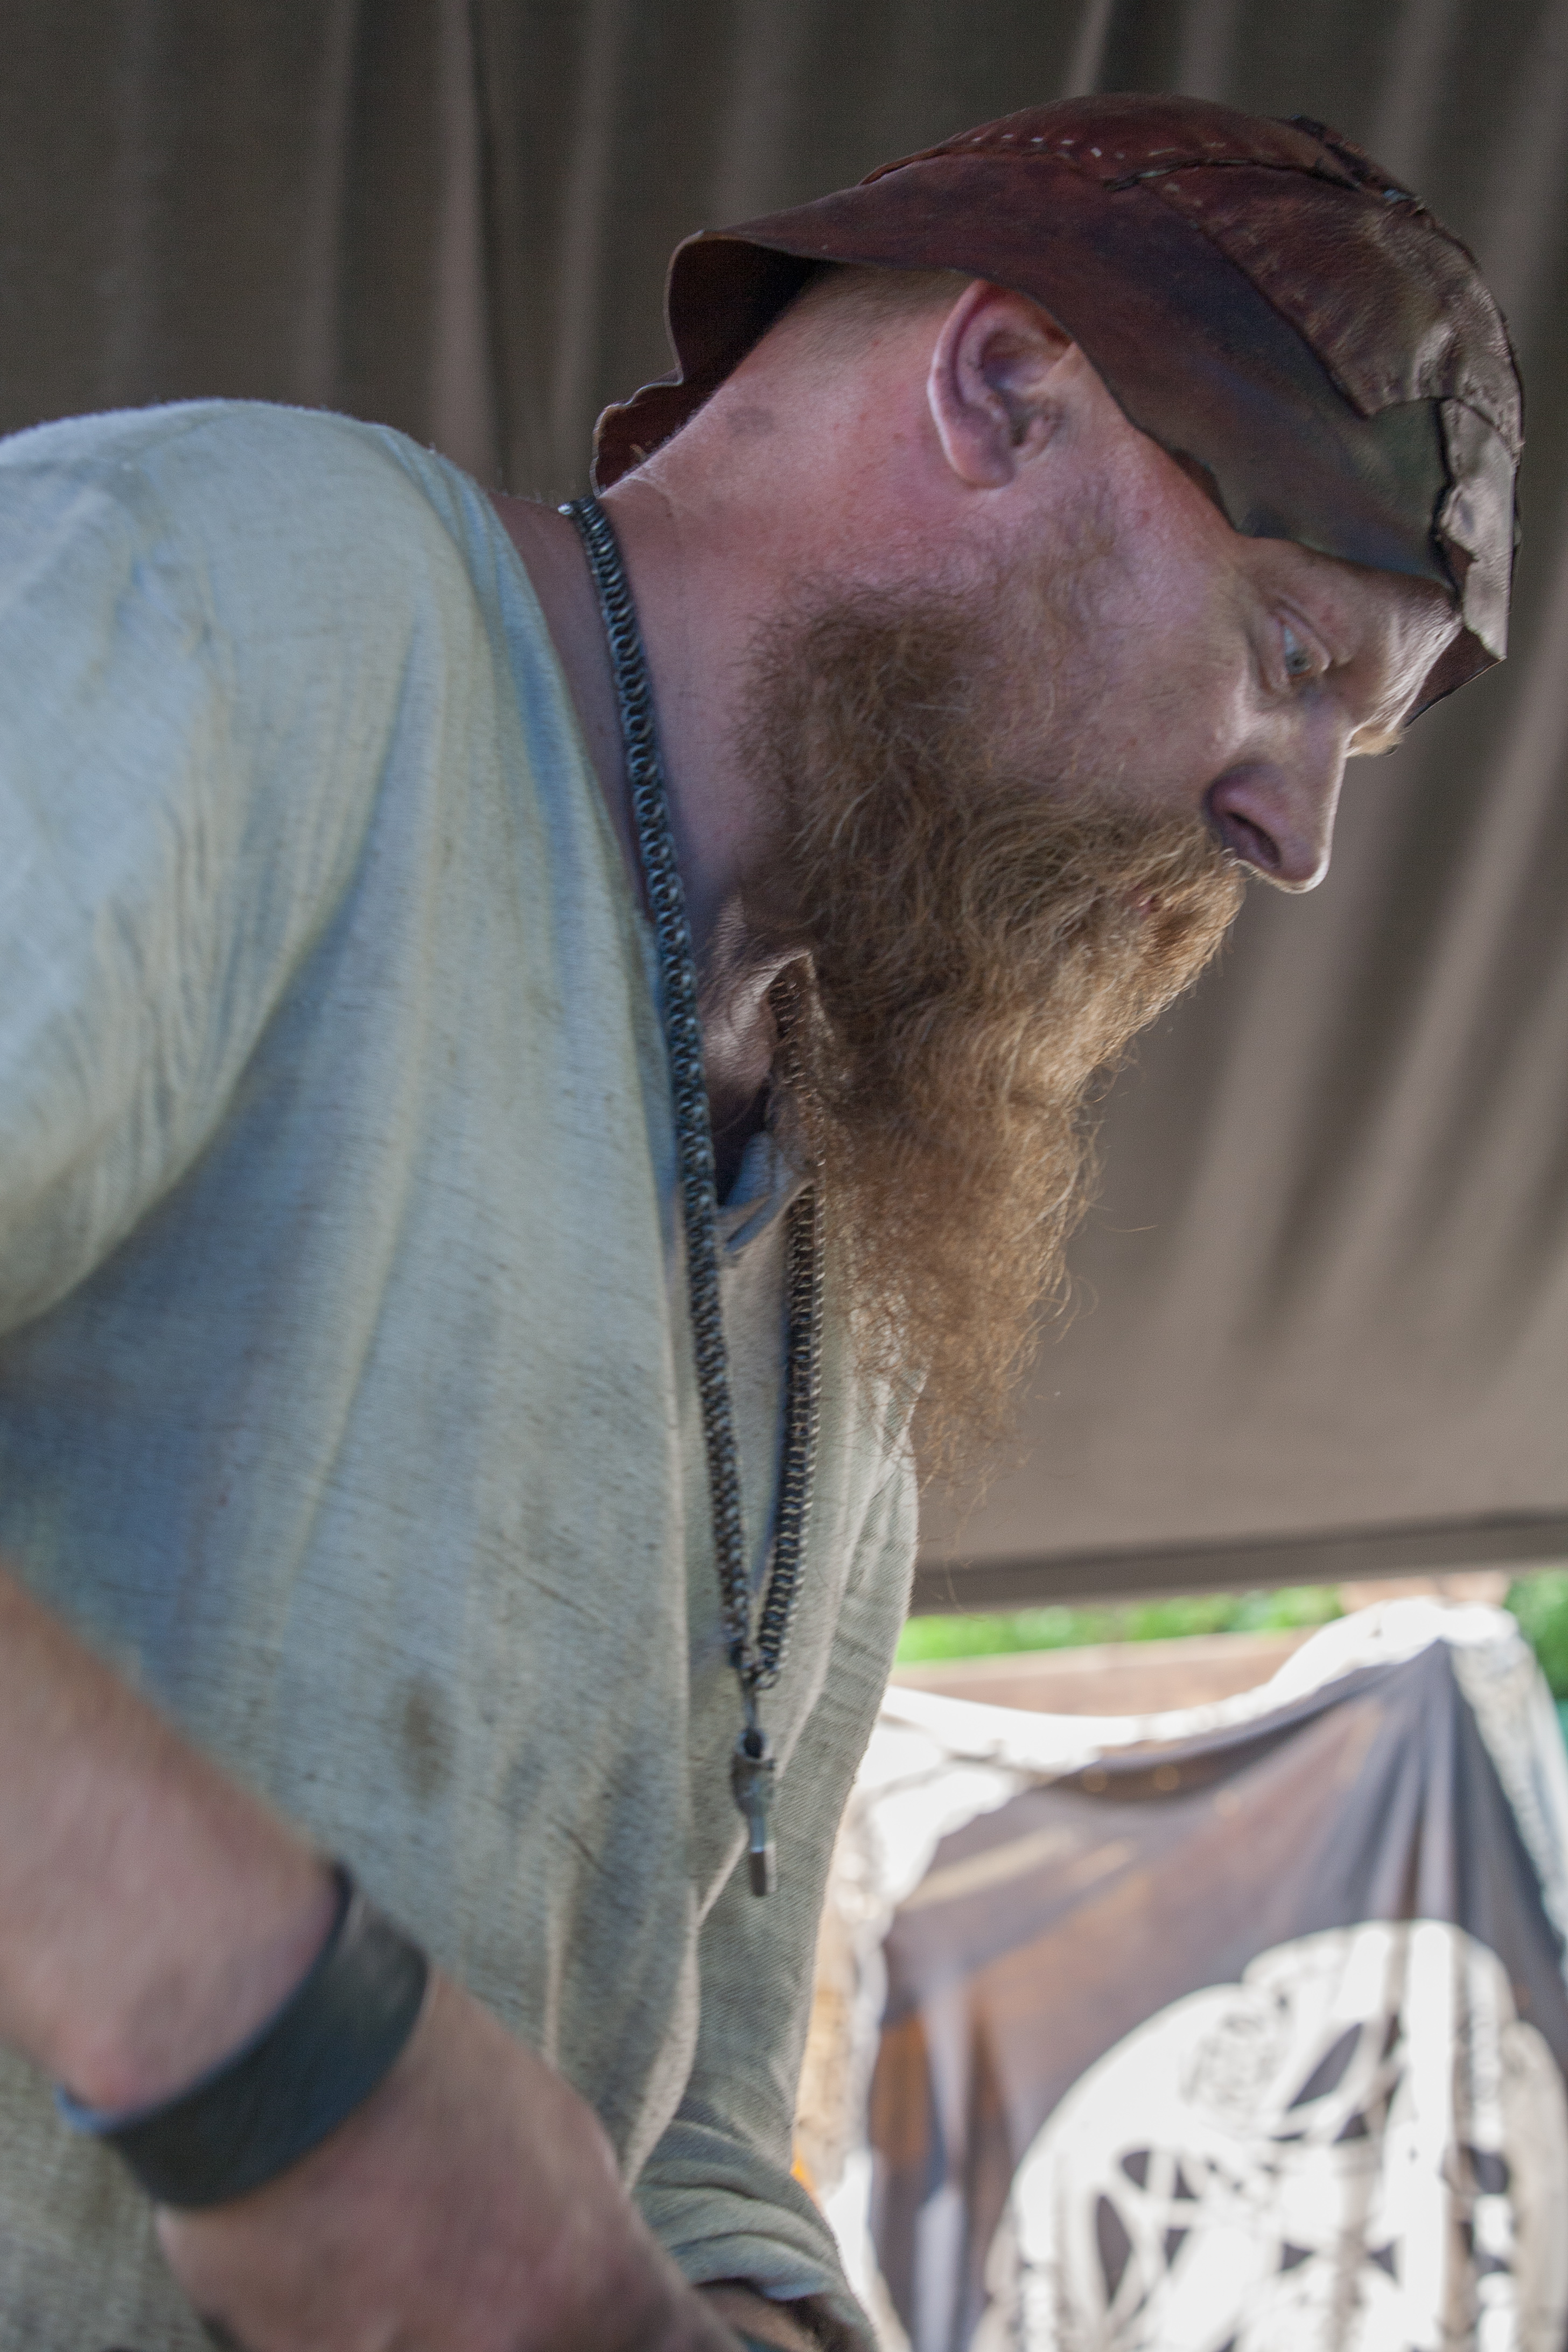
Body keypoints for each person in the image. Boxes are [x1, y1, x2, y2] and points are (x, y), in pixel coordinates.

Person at [0, 90, 1518, 2352]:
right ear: (1001, 390)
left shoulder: (852, 1245)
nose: (1289, 838)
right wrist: (288, 2074)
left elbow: (685, 2115)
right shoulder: (243, 594)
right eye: (1293, 663)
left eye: (1353, 756)